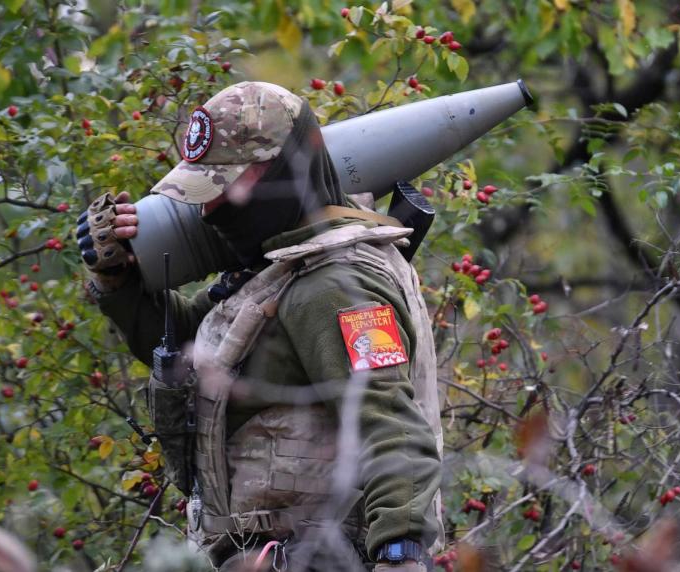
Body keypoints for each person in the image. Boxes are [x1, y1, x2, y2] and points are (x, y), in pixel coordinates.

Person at [76, 82, 442, 571]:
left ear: (280, 172)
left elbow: (391, 429)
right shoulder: (280, 270)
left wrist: (400, 556)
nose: (207, 210)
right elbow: (193, 347)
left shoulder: (333, 283)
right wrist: (118, 279)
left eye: (222, 187)